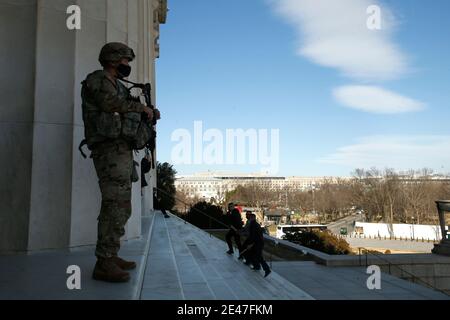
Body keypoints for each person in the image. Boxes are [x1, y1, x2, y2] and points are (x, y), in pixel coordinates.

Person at [81, 42, 160, 283]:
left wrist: (148, 112)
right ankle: (104, 261)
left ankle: (111, 254)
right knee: (114, 203)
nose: (127, 66)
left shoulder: (119, 85)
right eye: (125, 61)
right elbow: (109, 104)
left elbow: (129, 107)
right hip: (108, 150)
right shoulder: (97, 80)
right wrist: (142, 108)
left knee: (122, 205)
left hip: (121, 149)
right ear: (114, 60)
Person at [246, 214, 271, 278]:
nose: (248, 220)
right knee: (253, 254)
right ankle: (256, 266)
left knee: (259, 256)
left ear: (252, 218)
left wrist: (250, 244)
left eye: (249, 218)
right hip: (257, 243)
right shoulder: (255, 224)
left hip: (257, 243)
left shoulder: (253, 225)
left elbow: (253, 236)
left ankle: (267, 269)